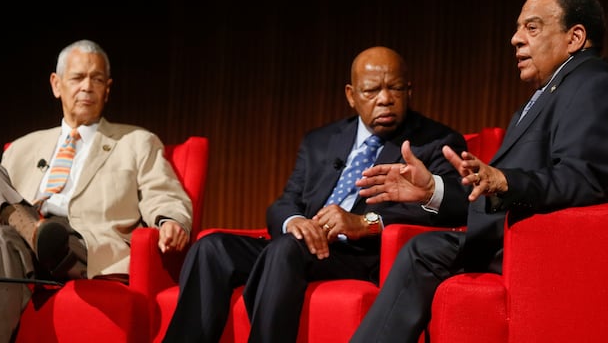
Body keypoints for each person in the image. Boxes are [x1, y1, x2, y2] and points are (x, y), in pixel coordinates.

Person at [349, 0, 608, 342]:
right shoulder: (545, 95)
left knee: (423, 252)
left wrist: (505, 181)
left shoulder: (596, 84)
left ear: (575, 37)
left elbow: (587, 182)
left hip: (564, 249)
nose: (515, 39)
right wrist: (433, 189)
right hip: (522, 238)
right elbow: (492, 192)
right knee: (424, 249)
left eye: (532, 27)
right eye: (518, 27)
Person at [162, 46, 470, 343]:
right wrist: (295, 221)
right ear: (351, 95)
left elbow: (454, 205)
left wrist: (364, 222)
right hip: (300, 244)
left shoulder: (435, 141)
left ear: (409, 91)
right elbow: (284, 202)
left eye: (396, 89)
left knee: (285, 249)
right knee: (211, 247)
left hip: (362, 254)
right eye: (371, 91)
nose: (385, 100)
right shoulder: (321, 141)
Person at [0, 39, 193, 342]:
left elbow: (164, 193)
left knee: (4, 236)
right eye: (78, 78)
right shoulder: (22, 147)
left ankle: (36, 232)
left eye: (97, 79)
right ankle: (30, 227)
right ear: (56, 84)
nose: (87, 86)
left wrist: (171, 221)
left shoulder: (137, 142)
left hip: (76, 245)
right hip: (20, 241)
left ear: (108, 89)